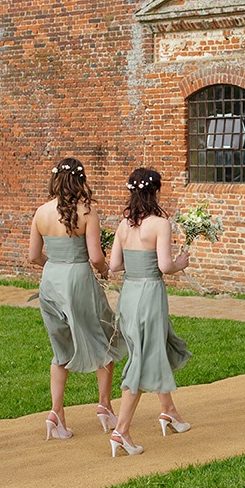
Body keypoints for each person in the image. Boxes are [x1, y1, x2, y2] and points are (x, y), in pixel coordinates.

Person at [28, 157, 127, 439]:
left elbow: (34, 256)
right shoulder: (87, 213)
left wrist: (55, 263)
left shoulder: (41, 212)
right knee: (104, 338)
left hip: (51, 282)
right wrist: (105, 271)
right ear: (81, 180)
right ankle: (104, 406)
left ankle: (56, 413)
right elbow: (95, 256)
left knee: (61, 348)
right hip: (79, 280)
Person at [107, 168, 192, 456]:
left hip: (129, 295)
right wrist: (181, 263)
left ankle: (170, 412)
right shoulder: (159, 224)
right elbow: (166, 266)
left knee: (150, 349)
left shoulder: (123, 225)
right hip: (150, 294)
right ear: (154, 192)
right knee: (143, 359)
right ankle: (121, 430)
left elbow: (114, 265)